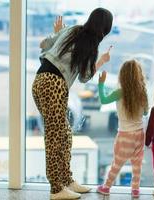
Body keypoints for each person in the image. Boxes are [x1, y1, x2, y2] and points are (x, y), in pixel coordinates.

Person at [32, 8, 113, 200]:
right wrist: (101, 61)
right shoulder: (91, 46)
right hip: (54, 85)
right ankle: (56, 189)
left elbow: (43, 44)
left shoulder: (73, 30)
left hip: (41, 80)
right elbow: (85, 77)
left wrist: (58, 33)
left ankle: (66, 181)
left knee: (64, 134)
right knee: (55, 138)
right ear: (104, 29)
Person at [96, 60, 148, 198]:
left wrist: (101, 84)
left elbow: (104, 100)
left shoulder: (119, 92)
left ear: (122, 75)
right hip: (139, 133)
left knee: (117, 163)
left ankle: (106, 187)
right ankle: (135, 190)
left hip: (125, 134)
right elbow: (145, 112)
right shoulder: (142, 92)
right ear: (139, 75)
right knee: (137, 164)